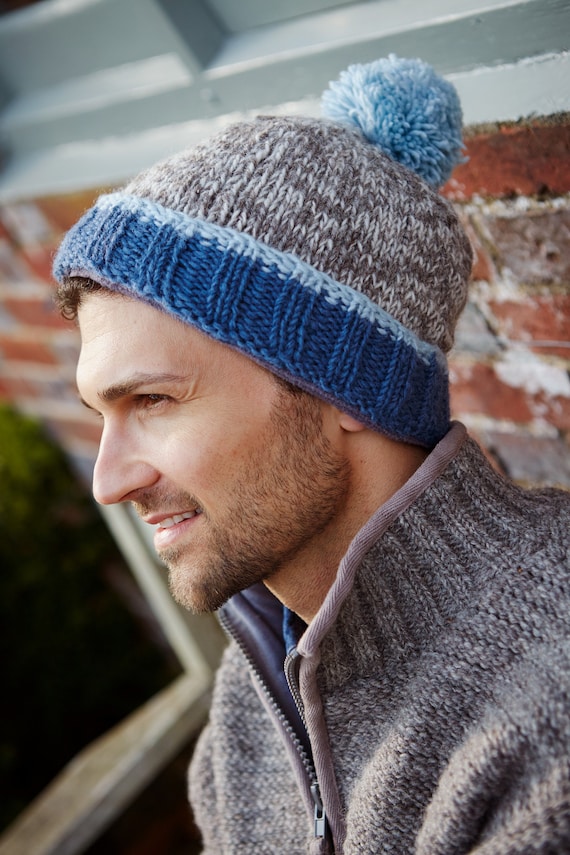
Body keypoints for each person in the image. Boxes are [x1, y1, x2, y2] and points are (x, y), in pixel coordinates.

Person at [52, 55, 570, 854]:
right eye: (100, 414)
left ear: (344, 387)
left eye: (150, 401)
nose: (109, 481)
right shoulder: (246, 700)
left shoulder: (547, 702)